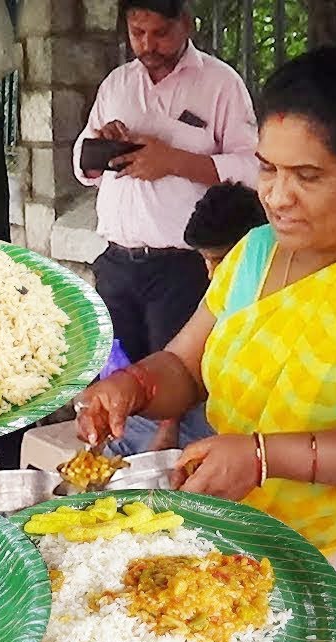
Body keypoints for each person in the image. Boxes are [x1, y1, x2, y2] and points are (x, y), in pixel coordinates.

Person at [75, 48, 336, 601]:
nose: (277, 198)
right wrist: (132, 387)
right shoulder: (256, 252)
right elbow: (185, 364)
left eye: (308, 176)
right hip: (255, 554)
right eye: (267, 168)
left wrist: (263, 456)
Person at [73, 0, 258, 372]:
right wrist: (102, 144)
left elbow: (253, 169)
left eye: (160, 33)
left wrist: (173, 161)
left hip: (183, 270)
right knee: (112, 379)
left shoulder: (221, 84)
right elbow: (81, 161)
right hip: (116, 265)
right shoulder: (117, 83)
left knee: (172, 385)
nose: (147, 45)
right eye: (137, 33)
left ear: (185, 24)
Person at [108, 182, 266, 455]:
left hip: (240, 424)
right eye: (204, 260)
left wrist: (167, 433)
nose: (211, 273)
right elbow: (181, 365)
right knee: (119, 442)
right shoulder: (208, 287)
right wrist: (127, 385)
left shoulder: (279, 292)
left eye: (220, 260)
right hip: (194, 405)